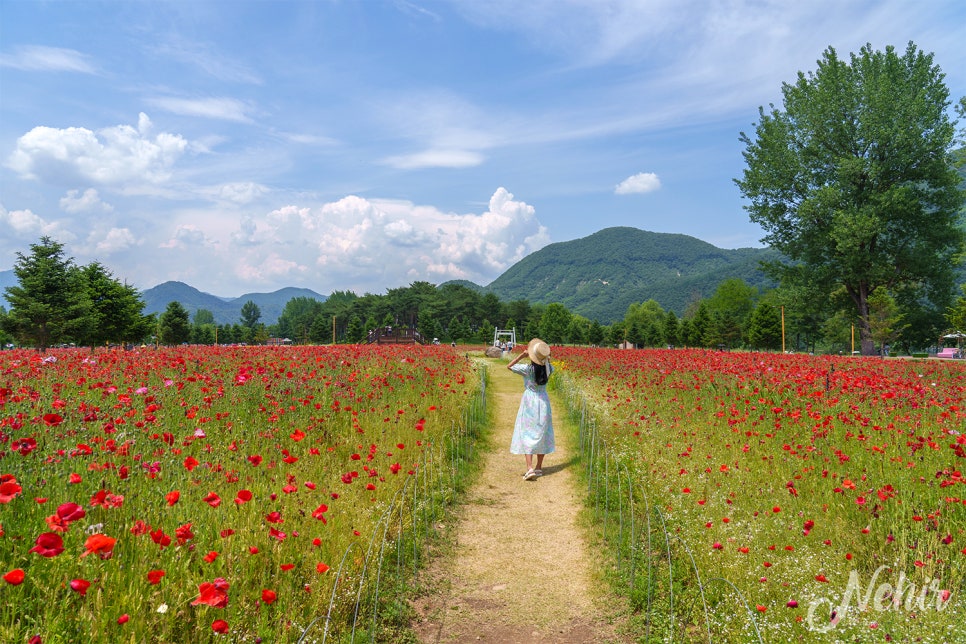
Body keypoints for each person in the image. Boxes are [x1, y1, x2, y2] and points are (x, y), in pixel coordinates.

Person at [507, 338, 554, 480]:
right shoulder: (549, 369)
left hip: (529, 401)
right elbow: (548, 365)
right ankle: (539, 467)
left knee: (527, 432)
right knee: (542, 433)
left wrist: (521, 356)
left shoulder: (527, 369)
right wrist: (546, 359)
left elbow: (509, 366)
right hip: (543, 401)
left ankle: (530, 468)